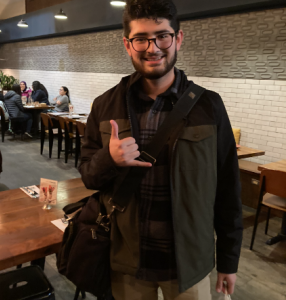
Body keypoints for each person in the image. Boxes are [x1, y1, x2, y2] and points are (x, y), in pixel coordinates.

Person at [79, 0, 243, 299]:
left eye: (162, 36)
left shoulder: (209, 106)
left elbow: (228, 188)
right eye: (141, 38)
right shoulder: (105, 105)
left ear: (178, 38)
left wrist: (229, 261)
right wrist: (110, 159)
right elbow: (88, 176)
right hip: (127, 260)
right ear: (128, 45)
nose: (152, 48)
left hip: (188, 263)